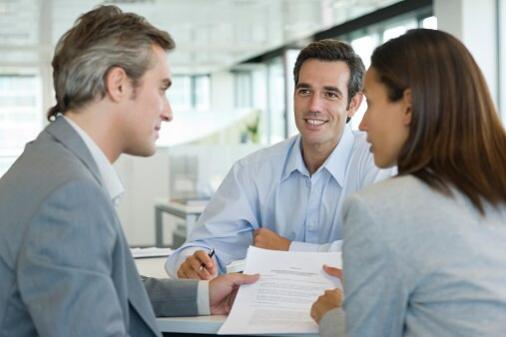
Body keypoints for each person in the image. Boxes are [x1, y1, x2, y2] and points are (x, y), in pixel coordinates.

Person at [0, 6, 258, 337]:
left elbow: (110, 284)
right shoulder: (69, 195)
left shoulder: (50, 164)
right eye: (162, 88)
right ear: (119, 84)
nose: (168, 112)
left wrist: (204, 294)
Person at [311, 28, 506, 337]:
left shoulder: (377, 209)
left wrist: (333, 314)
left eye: (371, 104)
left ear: (409, 106)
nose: (362, 123)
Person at [166, 39, 391, 280]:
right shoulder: (253, 170)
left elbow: (383, 252)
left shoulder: (377, 163)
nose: (314, 106)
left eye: (330, 94)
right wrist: (193, 262)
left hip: (348, 313)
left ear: (353, 104)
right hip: (267, 311)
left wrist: (288, 249)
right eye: (305, 91)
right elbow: (204, 244)